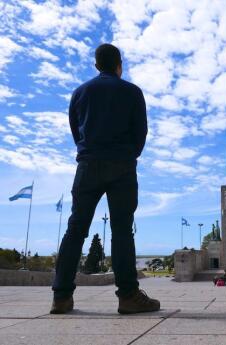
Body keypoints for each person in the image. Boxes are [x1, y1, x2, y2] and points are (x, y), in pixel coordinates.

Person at [51, 43, 160, 315]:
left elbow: (76, 130)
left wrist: (89, 152)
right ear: (119, 65)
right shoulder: (132, 92)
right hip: (122, 165)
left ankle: (61, 297)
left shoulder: (80, 92)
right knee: (122, 230)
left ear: (96, 65)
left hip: (88, 165)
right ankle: (128, 296)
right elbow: (140, 132)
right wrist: (128, 156)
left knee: (75, 229)